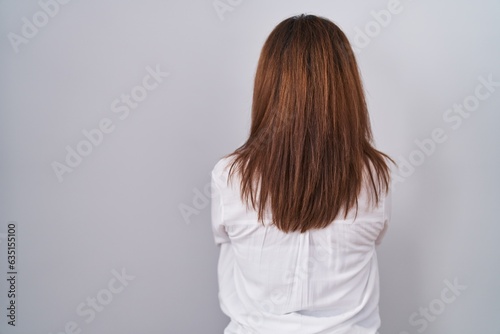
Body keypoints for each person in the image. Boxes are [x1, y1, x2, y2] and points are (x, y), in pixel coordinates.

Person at [210, 13, 396, 334]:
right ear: (347, 87)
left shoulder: (229, 176)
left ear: (267, 86)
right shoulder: (377, 176)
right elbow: (374, 240)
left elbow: (226, 244)